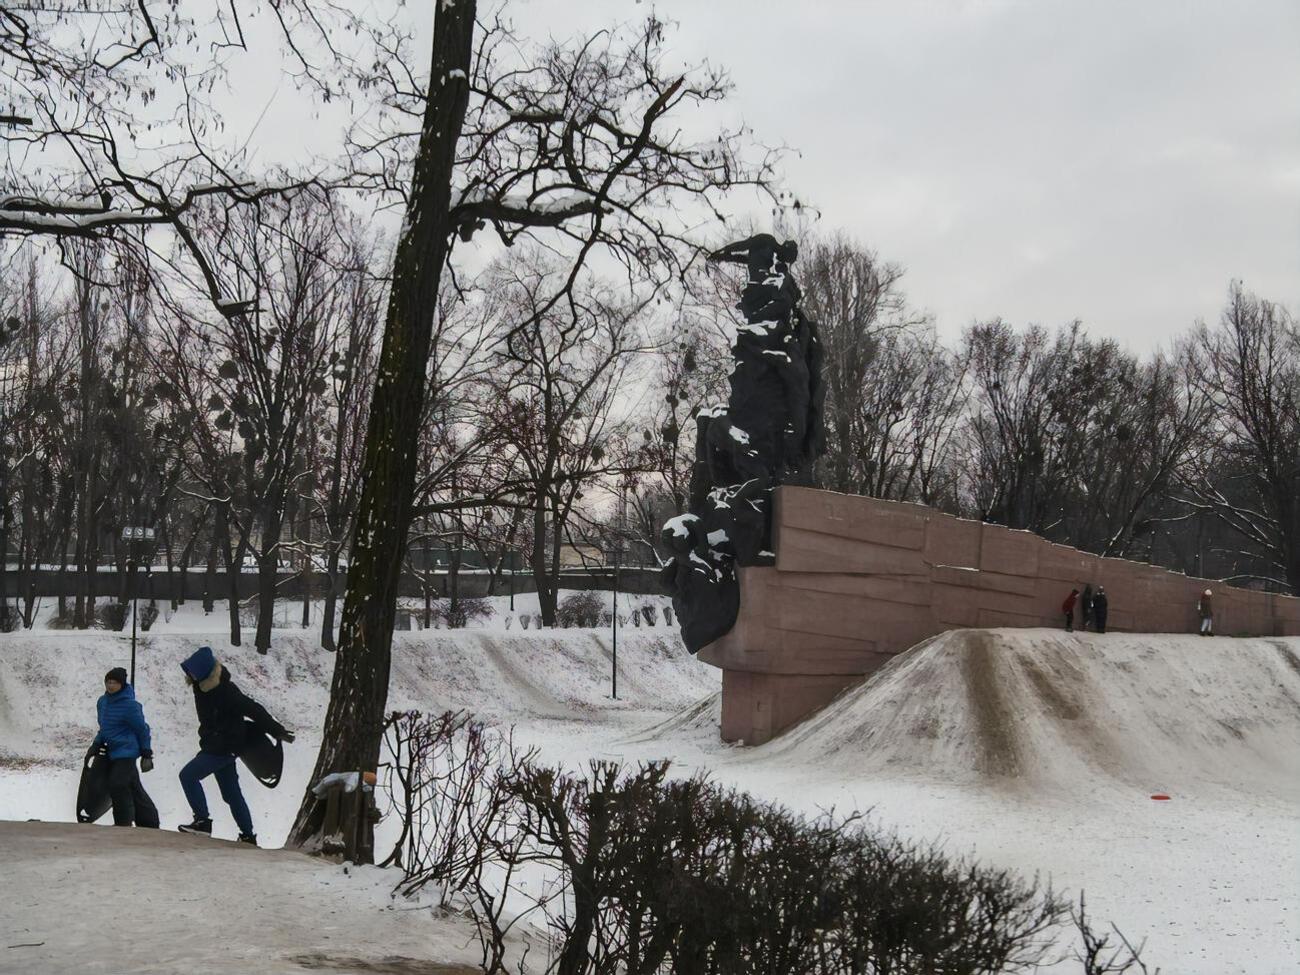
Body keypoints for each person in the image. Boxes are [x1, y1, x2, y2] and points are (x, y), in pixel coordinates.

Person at [177, 646, 294, 846]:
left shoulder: (226, 691)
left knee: (188, 776)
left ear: (204, 672)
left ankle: (203, 822)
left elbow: (253, 709)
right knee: (231, 793)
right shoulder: (201, 687)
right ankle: (248, 836)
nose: (190, 676)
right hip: (218, 746)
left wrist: (276, 730)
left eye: (193, 672)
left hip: (223, 747)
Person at [92, 667, 160, 829]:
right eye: (108, 682)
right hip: (112, 750)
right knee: (133, 786)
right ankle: (149, 822)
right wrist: (96, 744)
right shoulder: (103, 702)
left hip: (127, 750)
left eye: (114, 683)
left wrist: (146, 752)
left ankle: (123, 823)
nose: (110, 686)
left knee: (117, 783)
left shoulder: (130, 706)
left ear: (122, 684)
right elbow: (104, 727)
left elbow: (142, 729)